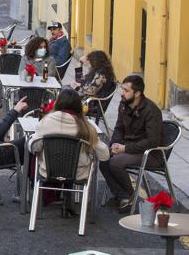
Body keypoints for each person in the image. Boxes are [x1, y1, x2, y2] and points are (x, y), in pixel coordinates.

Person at [99, 75, 164, 213]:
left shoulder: (151, 110)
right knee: (104, 159)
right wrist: (115, 144)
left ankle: (130, 197)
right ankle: (123, 196)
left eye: (126, 90)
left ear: (137, 93)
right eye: (122, 89)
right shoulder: (124, 105)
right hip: (130, 149)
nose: (122, 93)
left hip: (150, 153)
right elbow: (119, 128)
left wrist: (125, 148)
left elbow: (152, 141)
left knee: (115, 162)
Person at [29, 89, 109, 181]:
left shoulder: (46, 122)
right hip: (78, 174)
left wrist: (30, 140)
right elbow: (104, 154)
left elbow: (34, 147)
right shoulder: (86, 127)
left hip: (48, 171)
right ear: (79, 106)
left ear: (57, 103)